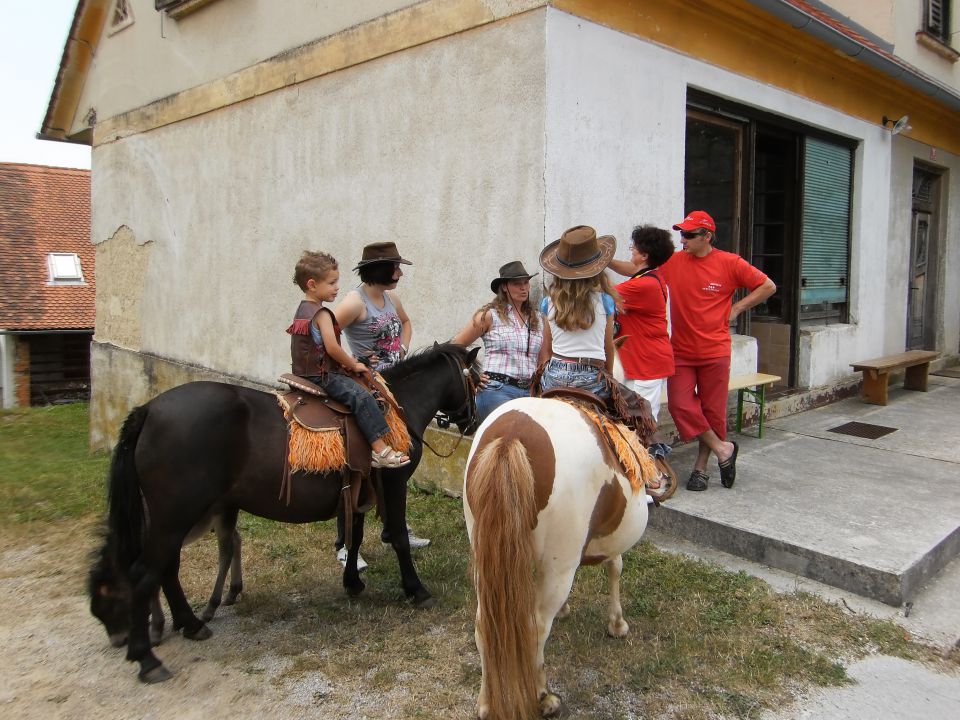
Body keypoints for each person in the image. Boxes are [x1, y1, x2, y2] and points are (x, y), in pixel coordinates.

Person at [659, 210, 776, 492]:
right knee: (680, 404)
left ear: (707, 236)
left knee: (713, 412)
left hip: (715, 351)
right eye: (681, 234)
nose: (682, 240)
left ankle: (701, 468)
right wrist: (602, 260)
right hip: (682, 352)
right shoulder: (674, 262)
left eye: (688, 235)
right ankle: (724, 450)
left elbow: (767, 286)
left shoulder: (729, 263)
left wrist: (737, 308)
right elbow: (639, 269)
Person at [333, 241, 428, 570]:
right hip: (367, 390)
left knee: (401, 459)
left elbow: (406, 322)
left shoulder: (392, 299)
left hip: (393, 387)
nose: (400, 273)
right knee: (362, 463)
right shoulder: (352, 303)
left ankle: (395, 527)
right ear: (380, 269)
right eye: (396, 268)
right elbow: (326, 335)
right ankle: (345, 543)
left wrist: (401, 348)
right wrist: (353, 362)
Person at [287, 250, 411, 469]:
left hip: (305, 371)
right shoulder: (323, 314)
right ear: (312, 284)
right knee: (361, 397)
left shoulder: (302, 309)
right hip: (322, 375)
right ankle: (380, 449)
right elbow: (332, 348)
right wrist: (353, 363)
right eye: (332, 283)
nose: (337, 288)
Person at [451, 261, 543, 424]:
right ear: (505, 287)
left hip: (529, 393)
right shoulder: (489, 316)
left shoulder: (538, 319)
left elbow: (544, 359)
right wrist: (472, 375)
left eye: (526, 283)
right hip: (497, 390)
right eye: (517, 284)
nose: (523, 288)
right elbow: (454, 347)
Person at [536, 225, 619, 400]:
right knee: (626, 417)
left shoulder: (547, 303)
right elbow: (608, 346)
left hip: (554, 375)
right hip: (592, 377)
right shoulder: (605, 302)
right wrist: (609, 376)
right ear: (597, 269)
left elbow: (547, 348)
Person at [612, 225, 676, 422]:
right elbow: (629, 267)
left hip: (645, 363)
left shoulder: (642, 286)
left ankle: (650, 454)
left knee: (642, 421)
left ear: (644, 255)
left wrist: (590, 263)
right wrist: (604, 259)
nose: (631, 250)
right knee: (633, 418)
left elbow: (602, 295)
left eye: (634, 247)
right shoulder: (650, 276)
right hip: (643, 359)